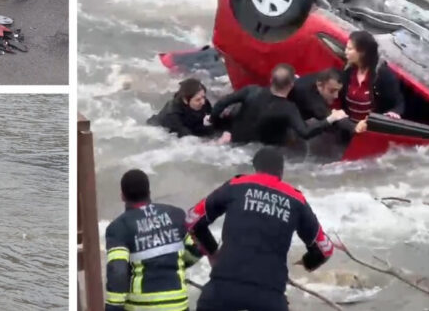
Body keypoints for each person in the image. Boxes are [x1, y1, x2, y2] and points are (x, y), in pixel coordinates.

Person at [185, 147, 334, 311]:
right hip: (270, 295)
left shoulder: (236, 184)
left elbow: (192, 220)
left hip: (222, 289)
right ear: (281, 172)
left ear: (255, 168)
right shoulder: (296, 199)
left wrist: (213, 253)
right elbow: (324, 249)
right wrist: (307, 262)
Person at [105, 169, 202, 311]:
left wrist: (113, 307)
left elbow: (118, 271)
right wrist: (175, 264)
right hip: (178, 305)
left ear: (122, 196)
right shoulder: (176, 215)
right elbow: (196, 250)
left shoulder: (118, 228)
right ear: (149, 192)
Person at [210, 64, 347, 145]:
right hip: (255, 147)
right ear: (292, 84)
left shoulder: (251, 90)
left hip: (234, 136)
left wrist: (212, 120)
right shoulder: (288, 109)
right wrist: (331, 119)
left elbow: (221, 103)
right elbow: (305, 133)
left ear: (271, 79)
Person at [340, 31, 404, 133]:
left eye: (350, 49)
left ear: (362, 52)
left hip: (368, 133)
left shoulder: (383, 75)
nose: (345, 51)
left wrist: (393, 113)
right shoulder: (349, 70)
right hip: (348, 129)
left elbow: (398, 103)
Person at [147, 78, 216, 138]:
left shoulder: (204, 102)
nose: (203, 102)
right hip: (159, 129)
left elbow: (213, 119)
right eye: (198, 100)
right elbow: (187, 138)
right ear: (185, 100)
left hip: (190, 125)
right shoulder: (173, 114)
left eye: (203, 97)